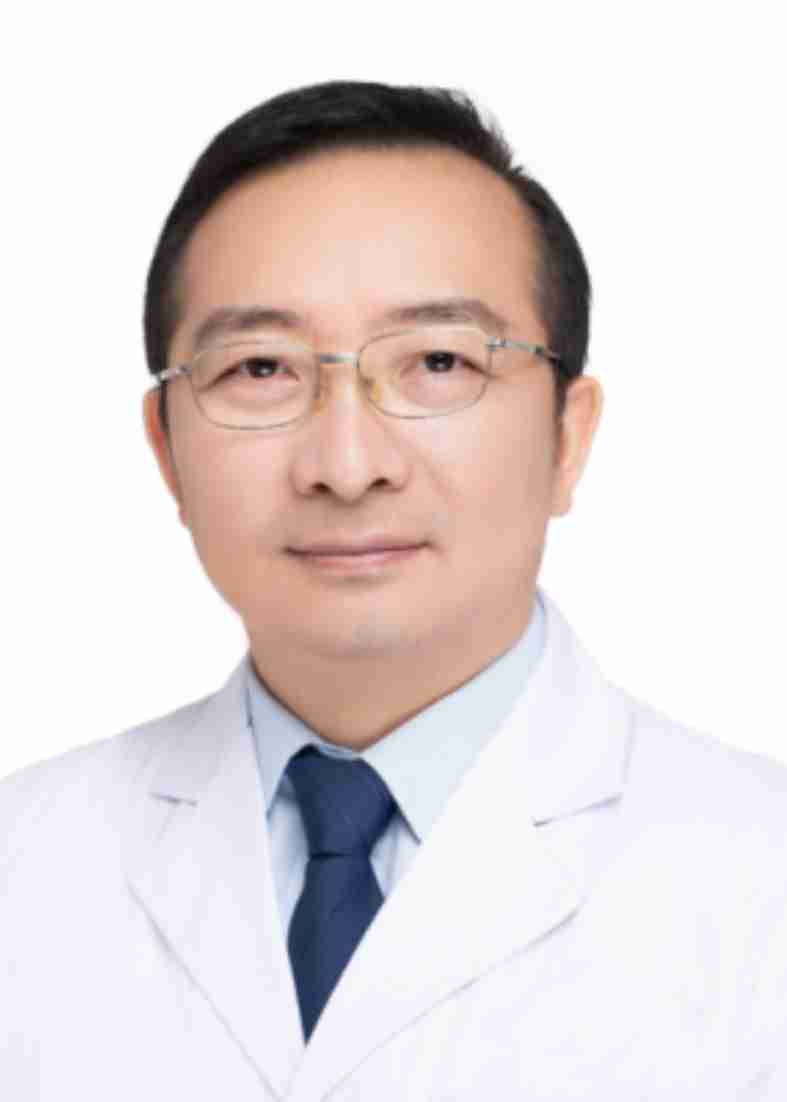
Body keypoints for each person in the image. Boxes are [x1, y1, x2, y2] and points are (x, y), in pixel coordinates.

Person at [1, 79, 786, 1101]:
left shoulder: (759, 876)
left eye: (439, 361)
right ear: (166, 451)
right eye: (261, 370)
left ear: (567, 435)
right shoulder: (25, 860)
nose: (347, 463)